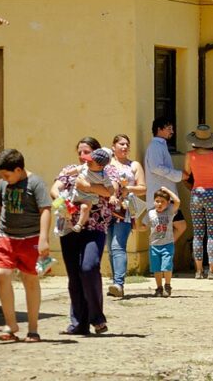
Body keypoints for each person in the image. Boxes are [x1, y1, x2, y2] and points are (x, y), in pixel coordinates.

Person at [50, 137, 118, 336]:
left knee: (88, 268)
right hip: (69, 227)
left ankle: (97, 317)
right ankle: (79, 323)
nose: (82, 156)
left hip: (94, 226)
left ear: (96, 153)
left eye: (86, 152)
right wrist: (61, 200)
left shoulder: (108, 169)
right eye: (79, 152)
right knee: (74, 276)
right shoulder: (70, 169)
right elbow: (55, 188)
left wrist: (85, 186)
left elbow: (110, 190)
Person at [0, 148, 51, 342]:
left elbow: (46, 210)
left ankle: (33, 329)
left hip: (30, 239)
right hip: (6, 238)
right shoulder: (3, 184)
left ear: (18, 170)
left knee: (30, 281)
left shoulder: (36, 183)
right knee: (1, 275)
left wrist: (43, 238)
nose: (5, 179)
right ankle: (11, 324)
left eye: (7, 175)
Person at [183, 124, 213, 279]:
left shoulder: (190, 155)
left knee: (198, 234)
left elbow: (187, 173)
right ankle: (212, 270)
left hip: (196, 193)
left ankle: (198, 270)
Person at [106, 133, 146, 298]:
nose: (124, 147)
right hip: (106, 209)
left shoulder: (134, 165)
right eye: (121, 144)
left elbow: (143, 187)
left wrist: (128, 189)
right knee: (110, 248)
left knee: (118, 245)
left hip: (125, 209)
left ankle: (119, 283)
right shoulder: (107, 163)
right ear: (113, 146)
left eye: (126, 144)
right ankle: (116, 282)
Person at [144, 117, 186, 242]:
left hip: (166, 197)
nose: (171, 132)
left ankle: (164, 250)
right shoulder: (155, 146)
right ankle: (161, 253)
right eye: (168, 129)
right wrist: (179, 175)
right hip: (160, 197)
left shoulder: (160, 145)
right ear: (159, 129)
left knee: (179, 226)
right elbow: (156, 167)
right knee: (165, 229)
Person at [66, 147, 118, 233]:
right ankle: (67, 221)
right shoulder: (85, 166)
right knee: (68, 206)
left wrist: (113, 196)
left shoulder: (103, 176)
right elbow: (76, 169)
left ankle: (79, 224)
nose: (87, 161)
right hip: (76, 192)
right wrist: (69, 172)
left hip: (88, 196)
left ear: (100, 166)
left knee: (85, 207)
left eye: (90, 161)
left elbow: (110, 187)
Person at [140, 187, 180, 297]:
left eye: (162, 201)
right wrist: (137, 227)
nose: (159, 204)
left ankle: (167, 285)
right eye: (157, 201)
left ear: (167, 203)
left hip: (167, 244)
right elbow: (144, 226)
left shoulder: (170, 211)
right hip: (154, 245)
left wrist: (167, 190)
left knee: (166, 266)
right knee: (156, 268)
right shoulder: (150, 213)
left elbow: (177, 201)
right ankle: (159, 288)